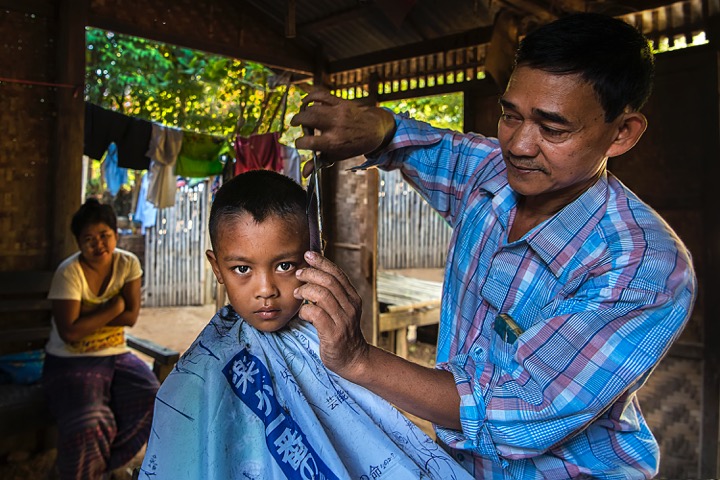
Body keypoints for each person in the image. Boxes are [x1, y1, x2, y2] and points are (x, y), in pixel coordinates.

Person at [290, 13, 697, 479]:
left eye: (553, 128)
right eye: (510, 114)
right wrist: (377, 126)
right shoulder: (491, 176)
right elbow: (433, 147)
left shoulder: (642, 267)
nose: (519, 145)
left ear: (621, 133)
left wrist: (357, 359)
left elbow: (516, 412)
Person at [139, 169, 471, 479]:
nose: (266, 289)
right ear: (216, 267)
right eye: (242, 269)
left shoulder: (333, 342)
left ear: (312, 257)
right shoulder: (202, 368)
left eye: (284, 265)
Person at [42, 198, 160, 479]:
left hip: (115, 354)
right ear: (78, 243)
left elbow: (132, 318)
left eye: (105, 236)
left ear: (115, 234)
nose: (99, 245)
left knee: (153, 394)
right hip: (70, 360)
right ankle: (81, 472)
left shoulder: (127, 263)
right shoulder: (69, 273)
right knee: (92, 418)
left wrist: (87, 317)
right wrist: (115, 306)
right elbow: (69, 332)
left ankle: (96, 466)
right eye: (89, 239)